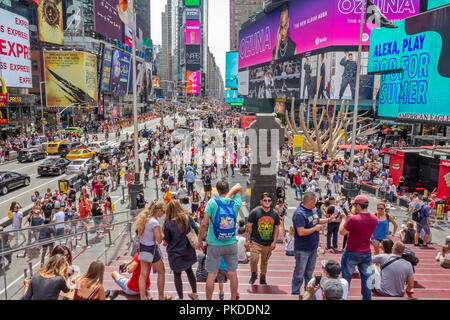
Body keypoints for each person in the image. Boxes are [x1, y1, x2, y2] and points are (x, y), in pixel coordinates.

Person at [196, 181, 242, 300]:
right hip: (231, 242)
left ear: (217, 190)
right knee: (232, 273)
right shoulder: (234, 202)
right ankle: (232, 299)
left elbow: (204, 224)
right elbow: (239, 187)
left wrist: (199, 240)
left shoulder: (212, 203)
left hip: (214, 244)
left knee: (211, 275)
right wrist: (230, 194)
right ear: (228, 189)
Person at [291, 192, 337, 296]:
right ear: (310, 201)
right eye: (314, 202)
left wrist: (329, 220)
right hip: (302, 248)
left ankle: (308, 293)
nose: (315, 204)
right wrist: (315, 228)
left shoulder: (312, 210)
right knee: (299, 272)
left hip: (313, 247)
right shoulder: (299, 213)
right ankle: (295, 293)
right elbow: (301, 232)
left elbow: (317, 220)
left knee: (309, 272)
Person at [339, 195, 378, 300]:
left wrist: (344, 219)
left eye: (354, 204)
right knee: (366, 278)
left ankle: (343, 297)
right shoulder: (374, 218)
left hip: (351, 251)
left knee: (346, 278)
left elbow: (342, 232)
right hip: (366, 252)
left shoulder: (353, 219)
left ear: (358, 205)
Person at [134, 201, 171, 300]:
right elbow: (159, 240)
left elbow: (139, 233)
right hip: (151, 249)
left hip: (143, 247)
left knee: (143, 274)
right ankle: (161, 296)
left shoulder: (144, 218)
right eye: (163, 212)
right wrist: (162, 233)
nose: (163, 214)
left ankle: (143, 297)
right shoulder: (154, 222)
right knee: (161, 271)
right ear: (158, 211)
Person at [163, 200, 199, 300]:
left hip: (175, 254)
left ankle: (181, 297)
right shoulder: (187, 218)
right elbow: (196, 229)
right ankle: (195, 293)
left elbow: (167, 240)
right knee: (189, 271)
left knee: (177, 275)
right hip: (188, 251)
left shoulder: (168, 223)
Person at [245, 193, 280, 285]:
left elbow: (277, 228)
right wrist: (246, 240)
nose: (267, 202)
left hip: (268, 243)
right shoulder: (255, 212)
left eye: (269, 200)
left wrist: (274, 242)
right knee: (254, 259)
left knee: (264, 262)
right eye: (265, 200)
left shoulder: (275, 214)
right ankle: (254, 274)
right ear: (261, 201)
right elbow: (249, 226)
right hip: (256, 241)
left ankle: (263, 277)